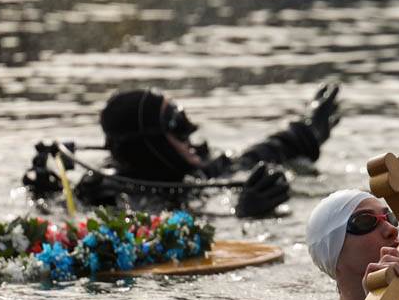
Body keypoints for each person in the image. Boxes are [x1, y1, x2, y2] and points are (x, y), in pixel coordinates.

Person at [23, 83, 341, 218]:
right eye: (176, 122)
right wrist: (243, 214)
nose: (191, 130)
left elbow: (259, 154)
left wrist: (309, 128)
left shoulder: (195, 172)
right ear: (150, 143)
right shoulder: (109, 197)